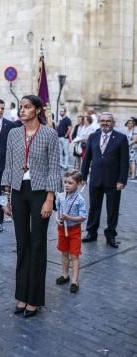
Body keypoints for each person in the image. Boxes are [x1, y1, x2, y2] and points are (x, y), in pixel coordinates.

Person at [1, 94, 62, 317]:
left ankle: (34, 299)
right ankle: (21, 295)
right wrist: (7, 198)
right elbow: (8, 164)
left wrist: (49, 199)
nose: (22, 111)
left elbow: (54, 167)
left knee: (37, 244)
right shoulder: (13, 133)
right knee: (22, 244)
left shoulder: (49, 134)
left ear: (37, 110)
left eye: (27, 107)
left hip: (39, 193)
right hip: (18, 192)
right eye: (21, 107)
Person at [81, 112, 129, 248]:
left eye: (108, 121)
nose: (105, 123)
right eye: (103, 121)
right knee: (94, 208)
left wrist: (122, 180)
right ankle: (91, 233)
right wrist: (83, 176)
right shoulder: (93, 136)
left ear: (113, 122)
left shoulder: (121, 138)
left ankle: (111, 235)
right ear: (100, 122)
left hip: (113, 181)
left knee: (112, 209)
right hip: (95, 179)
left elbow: (124, 162)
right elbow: (87, 158)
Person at [55, 170, 87, 293]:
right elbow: (57, 211)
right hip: (62, 229)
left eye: (70, 183)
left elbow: (83, 217)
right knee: (64, 253)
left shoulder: (80, 199)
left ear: (78, 184)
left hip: (74, 230)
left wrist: (69, 218)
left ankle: (74, 280)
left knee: (74, 255)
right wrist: (58, 219)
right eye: (65, 182)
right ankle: (65, 275)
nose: (67, 185)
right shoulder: (60, 196)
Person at [0, 99, 17, 232]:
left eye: (2, 108)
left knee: (1, 193)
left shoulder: (10, 125)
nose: (0, 110)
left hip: (4, 164)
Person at [57, 106, 72, 170]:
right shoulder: (60, 120)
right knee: (60, 152)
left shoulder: (68, 120)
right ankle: (60, 164)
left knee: (66, 152)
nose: (61, 112)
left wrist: (66, 135)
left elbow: (70, 128)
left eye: (62, 111)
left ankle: (66, 165)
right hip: (59, 137)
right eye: (60, 111)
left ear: (65, 112)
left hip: (65, 138)